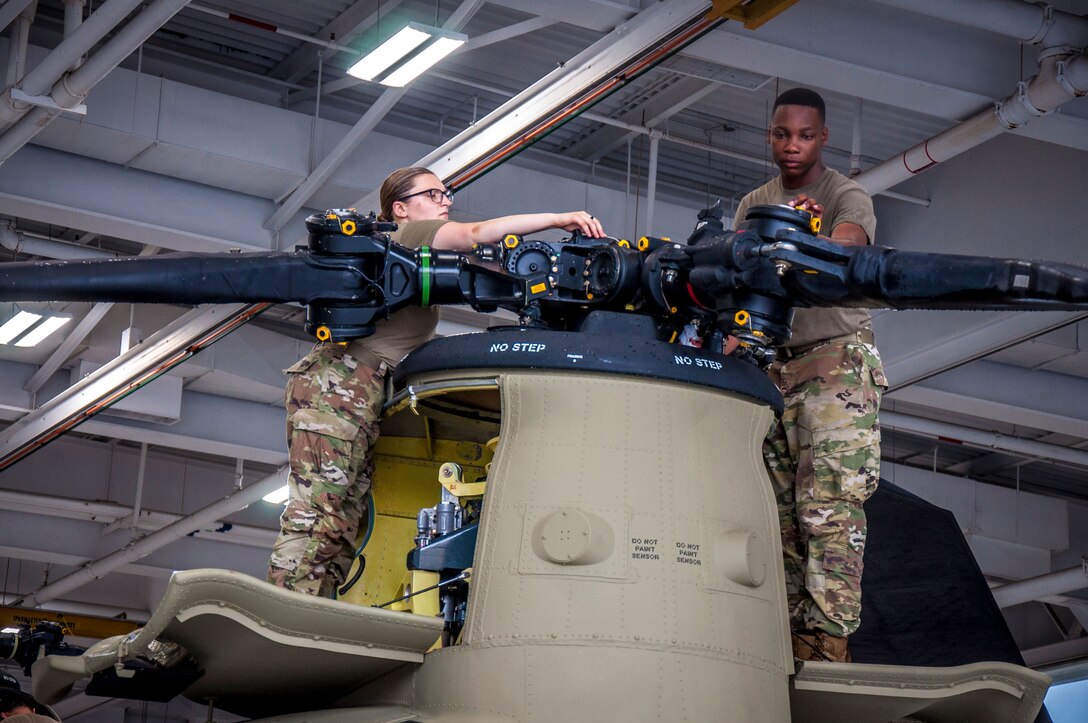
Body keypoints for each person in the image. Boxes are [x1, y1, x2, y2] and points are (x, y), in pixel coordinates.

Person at [267, 166, 605, 597]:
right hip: (341, 382)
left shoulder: (408, 254)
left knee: (344, 517)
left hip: (356, 385)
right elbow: (478, 233)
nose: (446, 201)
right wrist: (558, 219)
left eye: (447, 194)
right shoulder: (407, 235)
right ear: (401, 208)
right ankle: (284, 602)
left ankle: (311, 609)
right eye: (434, 193)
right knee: (320, 512)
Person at [732, 88, 887, 662]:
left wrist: (804, 237)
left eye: (803, 135)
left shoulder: (844, 194)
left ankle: (829, 640)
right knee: (780, 515)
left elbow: (849, 244)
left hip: (835, 363)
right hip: (775, 366)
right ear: (769, 135)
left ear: (822, 138)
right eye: (781, 134)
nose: (791, 146)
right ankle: (793, 634)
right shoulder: (756, 200)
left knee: (829, 507)